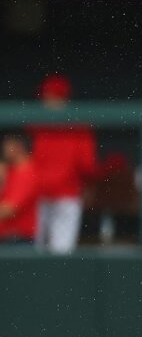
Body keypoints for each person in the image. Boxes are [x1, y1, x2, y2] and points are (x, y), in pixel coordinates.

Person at [26, 75, 99, 253]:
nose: (47, 100)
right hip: (51, 194)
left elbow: (86, 165)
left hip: (52, 194)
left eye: (50, 96)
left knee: (40, 251)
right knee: (57, 253)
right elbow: (88, 166)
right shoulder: (37, 124)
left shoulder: (37, 123)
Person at [0, 134, 39, 245]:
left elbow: (9, 209)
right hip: (7, 237)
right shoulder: (10, 170)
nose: (4, 149)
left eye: (7, 144)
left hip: (18, 239)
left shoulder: (27, 172)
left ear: (18, 146)